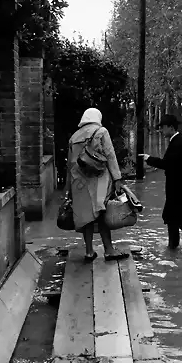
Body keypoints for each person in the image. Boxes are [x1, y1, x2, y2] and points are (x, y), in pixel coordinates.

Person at [65, 107, 129, 262]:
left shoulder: (74, 137)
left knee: (85, 215)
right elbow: (110, 155)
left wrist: (68, 189)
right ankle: (109, 250)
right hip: (99, 178)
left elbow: (70, 164)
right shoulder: (101, 132)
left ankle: (88, 251)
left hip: (78, 181)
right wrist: (117, 179)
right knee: (101, 213)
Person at [140, 114, 182, 255]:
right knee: (171, 218)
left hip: (177, 190)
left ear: (171, 127)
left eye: (163, 128)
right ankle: (173, 248)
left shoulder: (178, 143)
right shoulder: (176, 142)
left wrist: (149, 159)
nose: (161, 131)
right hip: (176, 189)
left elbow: (167, 164)